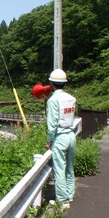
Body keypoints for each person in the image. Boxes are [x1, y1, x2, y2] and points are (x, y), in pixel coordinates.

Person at [45, 69, 76, 209]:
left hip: (60, 137)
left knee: (59, 169)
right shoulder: (71, 98)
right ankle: (69, 195)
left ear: (51, 84)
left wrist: (49, 140)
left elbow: (52, 124)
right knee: (69, 167)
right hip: (71, 135)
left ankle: (62, 201)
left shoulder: (53, 100)